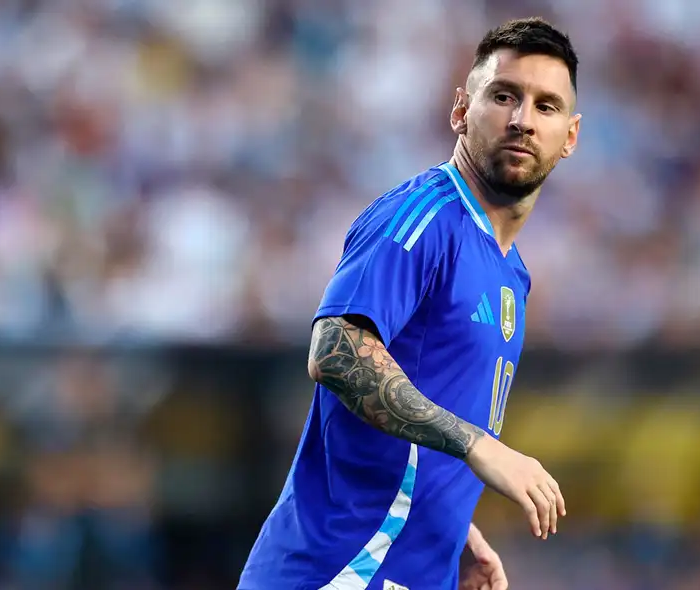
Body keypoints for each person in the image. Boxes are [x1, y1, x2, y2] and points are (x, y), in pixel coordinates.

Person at [238, 17, 581, 590]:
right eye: (503, 96)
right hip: (338, 569)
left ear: (568, 137)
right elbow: (338, 348)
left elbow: (430, 411)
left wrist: (453, 530)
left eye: (546, 106)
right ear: (460, 110)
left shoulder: (511, 272)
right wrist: (477, 446)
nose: (522, 119)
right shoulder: (424, 217)